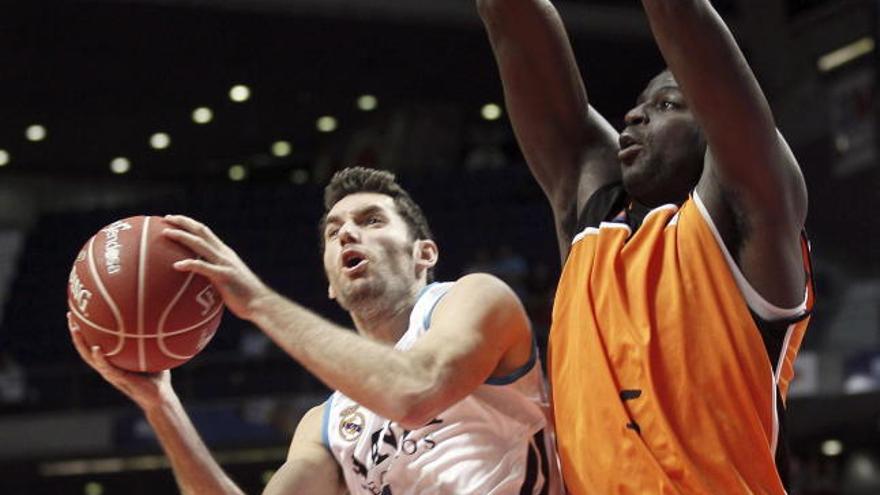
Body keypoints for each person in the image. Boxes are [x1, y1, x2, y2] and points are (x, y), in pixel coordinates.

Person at [478, 1, 815, 493]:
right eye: (640, 104)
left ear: (713, 130)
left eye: (667, 104)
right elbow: (512, 24)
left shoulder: (746, 219)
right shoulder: (592, 224)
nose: (635, 114)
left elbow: (686, 25)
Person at [69, 167, 563, 495]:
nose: (348, 232)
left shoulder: (474, 298)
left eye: (371, 220)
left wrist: (260, 302)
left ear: (424, 254)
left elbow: (415, 391)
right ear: (329, 283)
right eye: (334, 230)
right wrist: (163, 406)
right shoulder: (325, 426)